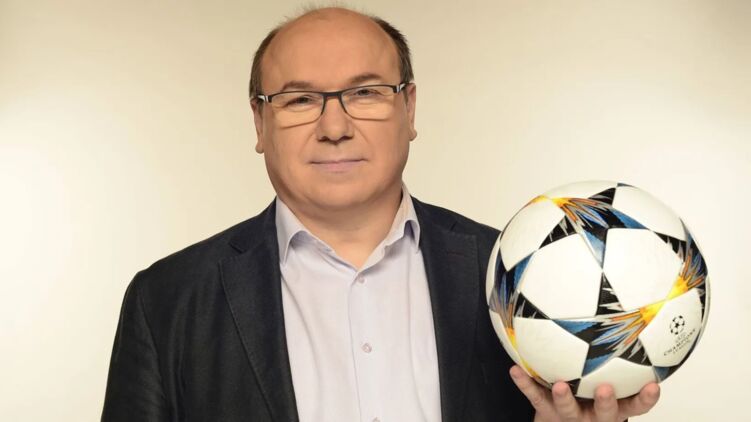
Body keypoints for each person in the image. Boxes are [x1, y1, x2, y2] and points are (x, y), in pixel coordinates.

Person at [102, 7, 660, 422]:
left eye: (366, 93)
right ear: (259, 122)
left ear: (409, 108)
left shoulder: (520, 276)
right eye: (300, 100)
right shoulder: (166, 300)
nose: (335, 127)